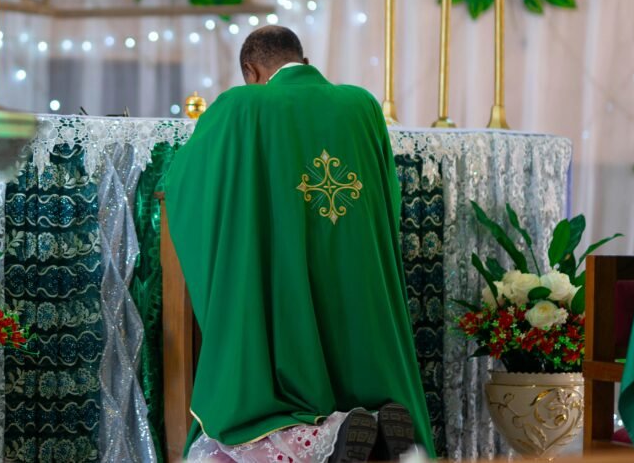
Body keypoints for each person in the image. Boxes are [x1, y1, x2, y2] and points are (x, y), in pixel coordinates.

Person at [163, 26, 434, 463]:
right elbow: (388, 194)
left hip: (283, 270)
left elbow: (183, 184)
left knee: (245, 421)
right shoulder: (362, 105)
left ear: (251, 71)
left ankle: (327, 433)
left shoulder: (241, 105)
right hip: (357, 271)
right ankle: (378, 425)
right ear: (303, 60)